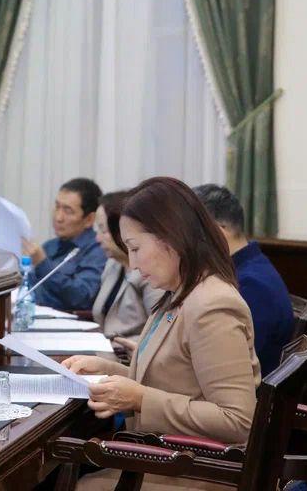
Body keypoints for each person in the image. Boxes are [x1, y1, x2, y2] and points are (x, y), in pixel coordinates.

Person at [62, 177, 260, 491]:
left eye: (136, 248)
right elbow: (178, 379)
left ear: (171, 237)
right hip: (170, 456)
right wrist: (109, 371)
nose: (133, 263)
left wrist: (139, 399)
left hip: (200, 470)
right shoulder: (177, 293)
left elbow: (237, 420)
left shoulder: (211, 305)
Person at [193, 184, 294, 376]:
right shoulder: (247, 268)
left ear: (218, 233)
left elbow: (229, 365)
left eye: (193, 235)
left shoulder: (252, 286)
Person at [21, 178, 107, 312]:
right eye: (57, 207)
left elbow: (82, 297)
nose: (58, 217)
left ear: (89, 219)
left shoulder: (98, 250)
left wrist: (43, 265)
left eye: (68, 211)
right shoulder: (49, 246)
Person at [92, 191, 164, 343]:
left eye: (103, 230)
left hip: (131, 354)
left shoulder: (151, 270)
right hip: (106, 349)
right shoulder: (113, 264)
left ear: (122, 230)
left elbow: (160, 331)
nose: (97, 239)